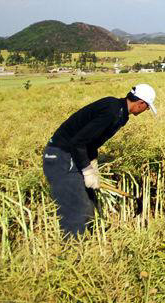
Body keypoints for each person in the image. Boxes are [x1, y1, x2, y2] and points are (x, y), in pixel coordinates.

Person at [42, 84, 157, 237]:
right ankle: (72, 252)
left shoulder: (121, 114)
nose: (145, 111)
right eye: (147, 108)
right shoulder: (112, 110)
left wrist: (93, 162)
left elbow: (91, 141)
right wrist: (87, 170)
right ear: (141, 103)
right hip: (60, 156)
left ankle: (90, 244)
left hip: (72, 154)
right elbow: (78, 142)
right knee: (78, 210)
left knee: (90, 204)